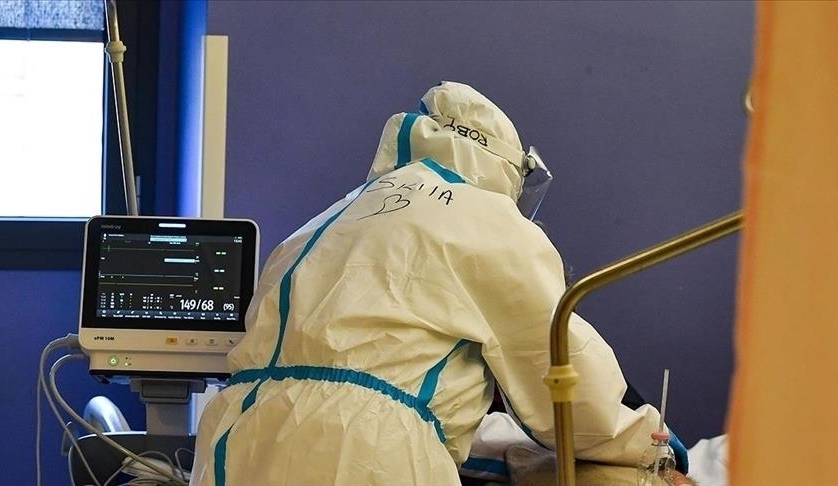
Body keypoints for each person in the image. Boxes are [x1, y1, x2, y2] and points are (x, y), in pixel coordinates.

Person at [190, 81, 689, 485]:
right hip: (365, 453)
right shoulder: (490, 223)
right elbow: (567, 385)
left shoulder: (325, 222)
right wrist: (654, 444)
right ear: (504, 165)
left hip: (235, 441)